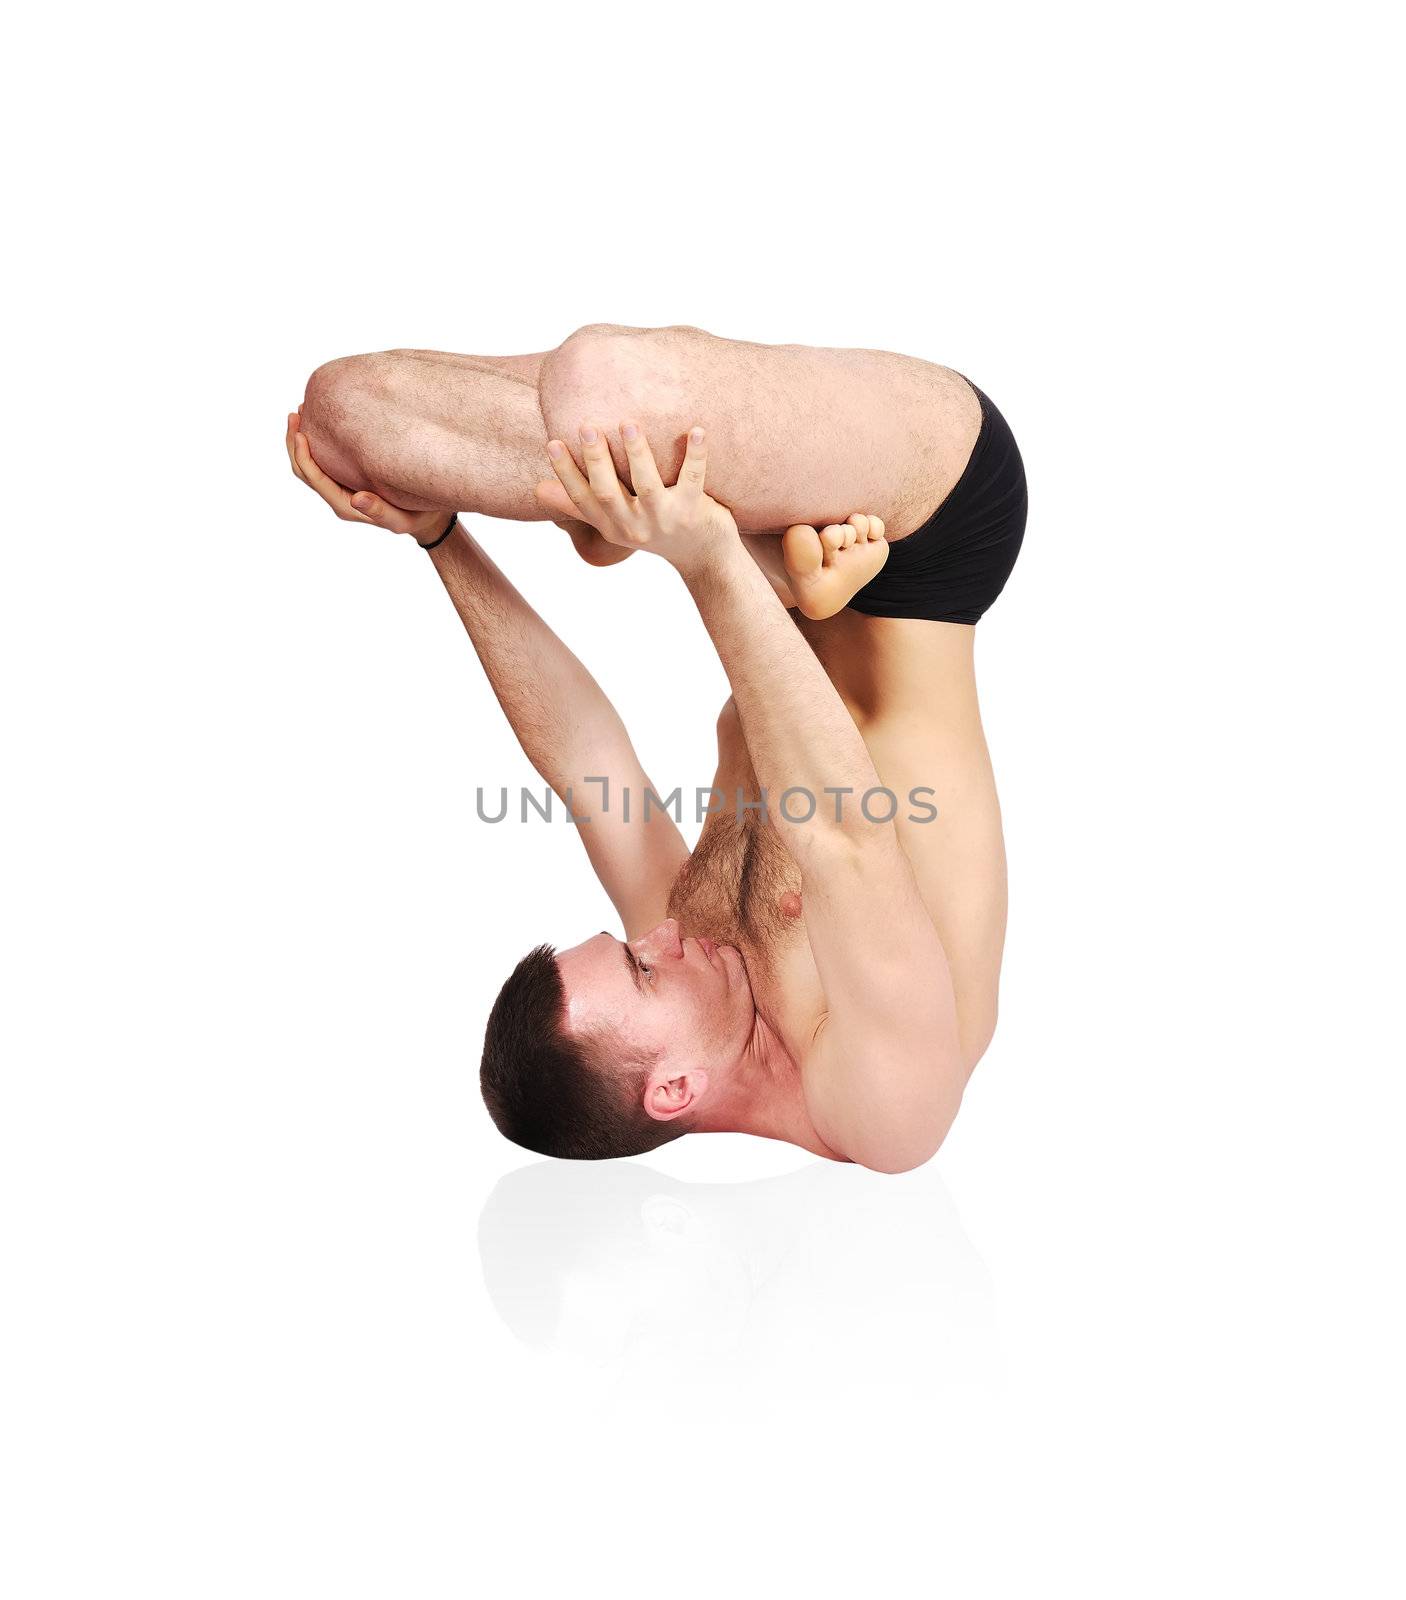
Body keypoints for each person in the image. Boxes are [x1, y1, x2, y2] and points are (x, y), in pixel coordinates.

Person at [286, 323, 1026, 1171]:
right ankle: (710, 535)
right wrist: (705, 557)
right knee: (602, 389)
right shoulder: (886, 1110)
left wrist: (440, 537)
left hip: (800, 567)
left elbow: (586, 762)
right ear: (671, 1088)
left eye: (631, 947)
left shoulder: (688, 955)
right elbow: (843, 834)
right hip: (930, 532)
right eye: (643, 971)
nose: (661, 938)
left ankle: (742, 554)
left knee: (345, 422)